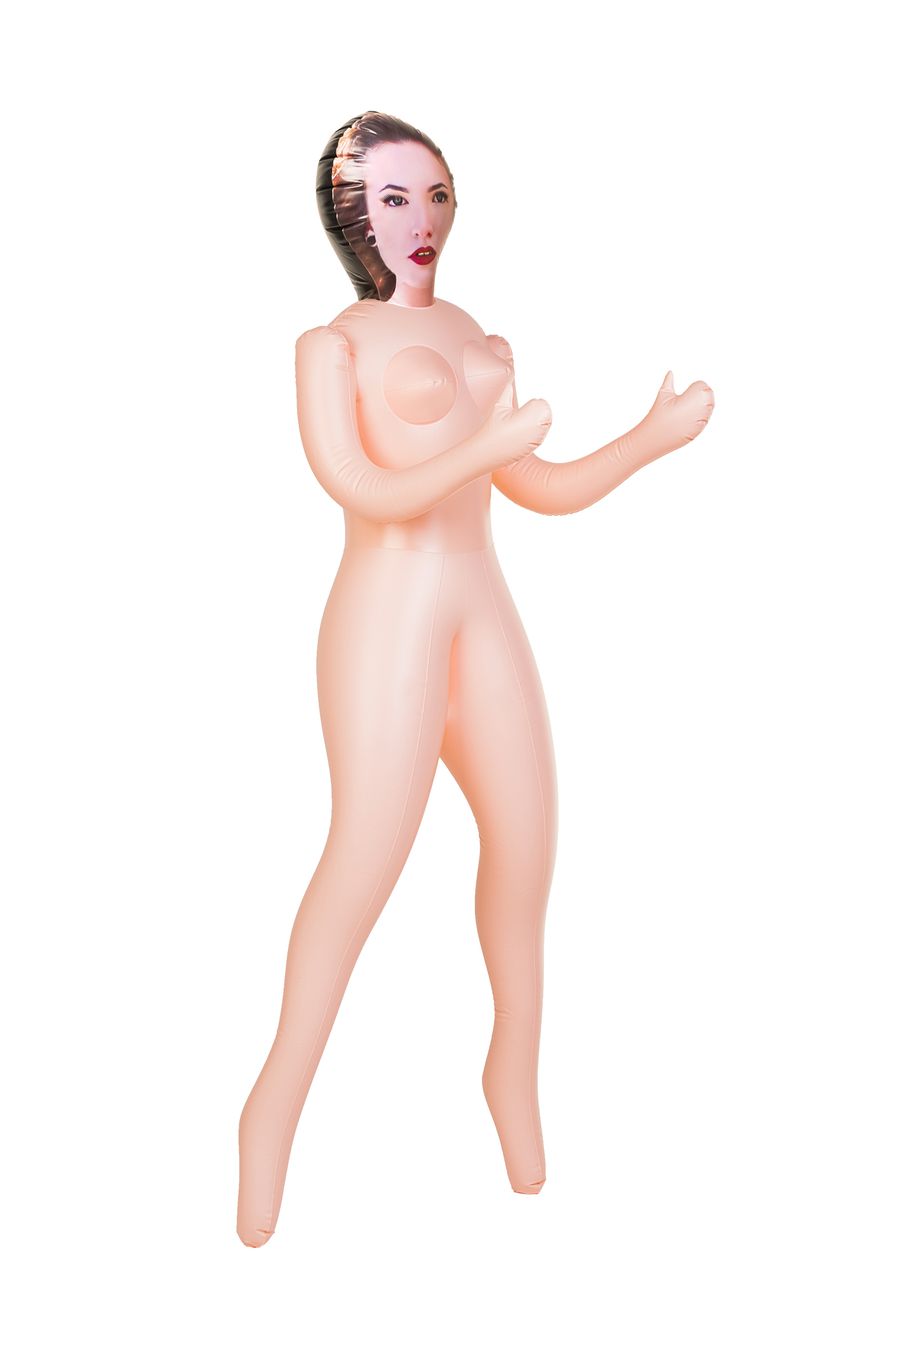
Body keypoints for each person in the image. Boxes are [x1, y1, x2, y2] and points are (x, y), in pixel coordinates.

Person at [236, 110, 714, 1247]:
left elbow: (537, 487)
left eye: (438, 194)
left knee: (529, 848)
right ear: (352, 216)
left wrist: (648, 438)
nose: (424, 219)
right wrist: (485, 450)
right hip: (383, 625)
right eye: (396, 198)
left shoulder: (475, 336)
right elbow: (362, 489)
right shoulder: (331, 348)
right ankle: (270, 1115)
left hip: (482, 611)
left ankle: (512, 1079)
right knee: (363, 865)